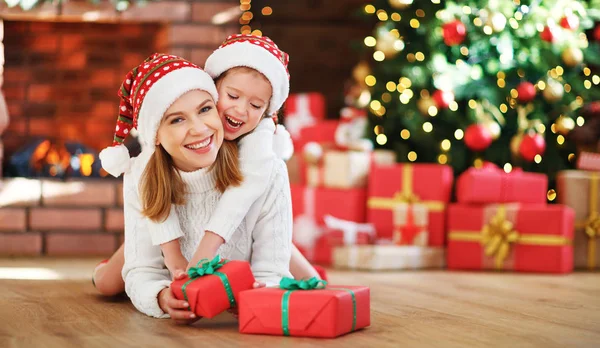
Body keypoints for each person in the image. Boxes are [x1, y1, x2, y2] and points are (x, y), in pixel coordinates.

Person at [98, 54, 293, 321]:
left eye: (204, 109)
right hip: (161, 235)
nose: (200, 129)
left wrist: (258, 294)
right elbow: (143, 273)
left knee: (303, 273)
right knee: (108, 284)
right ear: (154, 134)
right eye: (177, 120)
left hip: (250, 231)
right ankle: (120, 255)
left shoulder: (262, 168)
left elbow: (272, 273)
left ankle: (297, 257)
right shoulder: (141, 174)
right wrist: (161, 297)